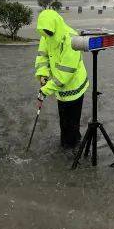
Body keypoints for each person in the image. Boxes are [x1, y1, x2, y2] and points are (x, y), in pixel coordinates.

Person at [34, 9, 89, 149]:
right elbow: (42, 56)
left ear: (56, 25)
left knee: (71, 121)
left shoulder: (72, 39)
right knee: (64, 120)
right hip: (59, 88)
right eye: (45, 32)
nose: (47, 35)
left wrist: (45, 91)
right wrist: (43, 75)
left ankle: (72, 147)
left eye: (49, 32)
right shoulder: (46, 34)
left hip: (74, 87)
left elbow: (65, 75)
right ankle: (69, 142)